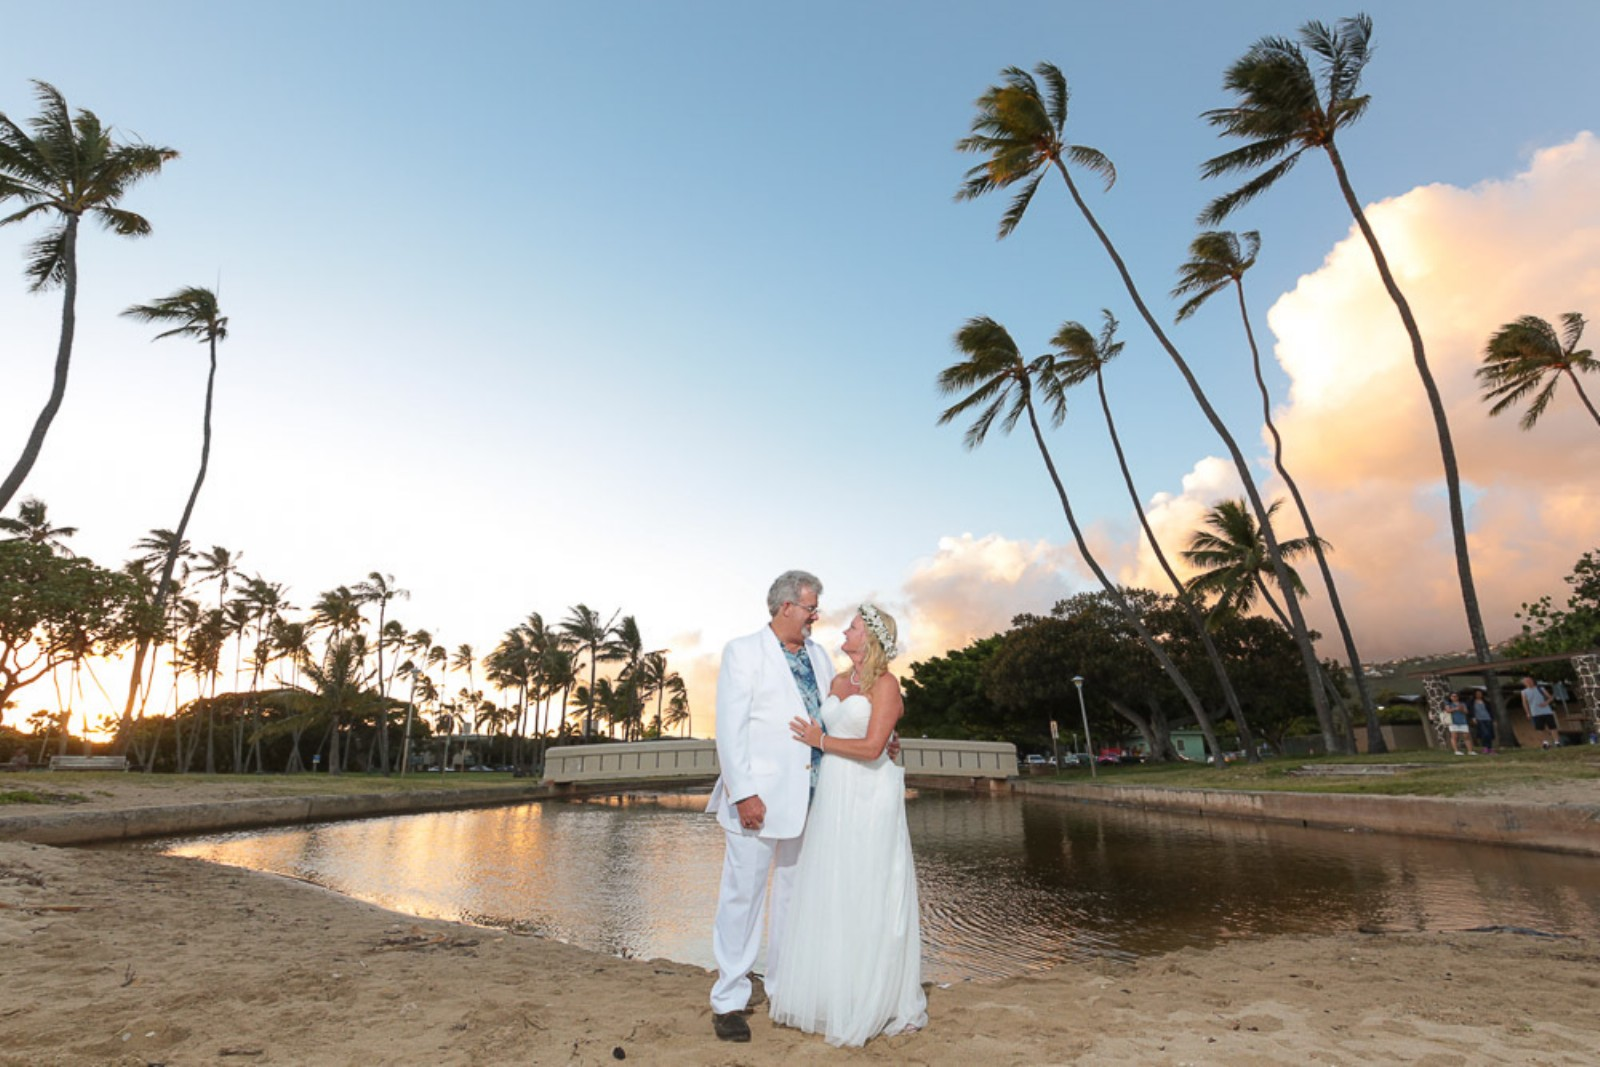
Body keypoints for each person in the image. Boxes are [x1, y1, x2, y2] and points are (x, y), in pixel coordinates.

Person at [769, 603, 927, 1047]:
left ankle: (886, 997)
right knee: (835, 888)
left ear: (870, 638)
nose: (846, 630)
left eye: (854, 626)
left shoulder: (887, 685)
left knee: (871, 888)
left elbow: (875, 747)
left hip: (871, 797)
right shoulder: (838, 682)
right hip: (835, 796)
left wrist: (822, 740)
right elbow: (818, 726)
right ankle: (841, 990)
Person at [705, 570, 835, 1043]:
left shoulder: (820, 657)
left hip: (810, 798)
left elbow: (835, 712)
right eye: (809, 607)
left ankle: (784, 990)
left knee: (793, 901)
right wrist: (743, 793)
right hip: (756, 800)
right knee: (742, 898)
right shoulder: (743, 652)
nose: (815, 615)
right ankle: (729, 1000)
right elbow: (731, 728)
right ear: (785, 607)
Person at [1521, 675, 1560, 748]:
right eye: (1526, 681)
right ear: (1524, 683)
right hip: (1535, 712)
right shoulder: (1524, 692)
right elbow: (1524, 703)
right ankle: (1546, 743)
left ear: (1532, 681)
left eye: (1530, 681)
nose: (1529, 682)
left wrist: (1546, 702)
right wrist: (1527, 712)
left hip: (1547, 711)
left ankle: (1557, 742)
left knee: (1552, 727)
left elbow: (1550, 697)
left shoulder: (1541, 689)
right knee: (1540, 729)